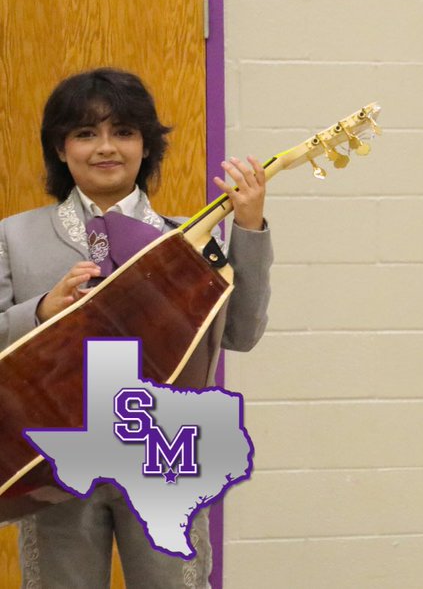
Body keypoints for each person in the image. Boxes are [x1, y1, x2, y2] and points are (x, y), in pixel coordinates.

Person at [0, 67, 273, 588]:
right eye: (85, 133)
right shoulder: (15, 237)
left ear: (146, 146)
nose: (106, 148)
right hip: (54, 459)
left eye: (123, 132)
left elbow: (241, 333)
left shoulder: (186, 243)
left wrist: (249, 227)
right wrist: (38, 312)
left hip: (166, 454)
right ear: (60, 149)